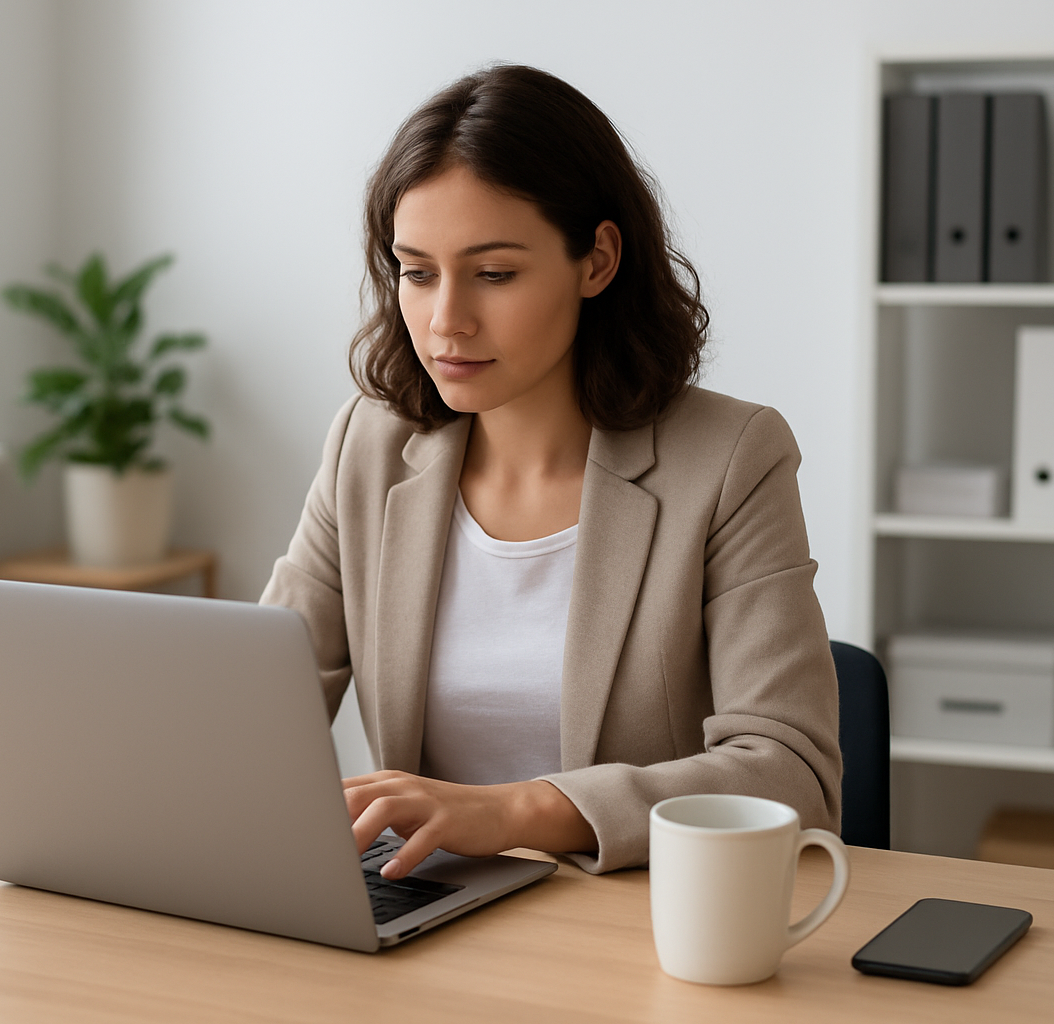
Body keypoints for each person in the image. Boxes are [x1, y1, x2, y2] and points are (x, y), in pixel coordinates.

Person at [260, 64, 840, 879]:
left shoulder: (732, 457)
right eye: (417, 273)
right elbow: (254, 711)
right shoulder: (368, 444)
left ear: (597, 260)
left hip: (633, 931)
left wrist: (514, 810)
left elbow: (792, 772)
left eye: (494, 274)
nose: (445, 321)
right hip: (425, 912)